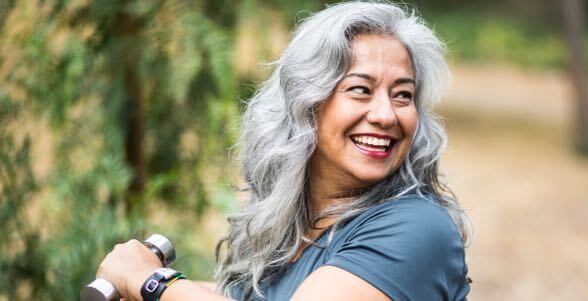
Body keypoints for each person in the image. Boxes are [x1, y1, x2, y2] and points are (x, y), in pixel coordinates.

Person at [95, 2, 472, 300]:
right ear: (306, 103)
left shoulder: (417, 228)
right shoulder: (298, 226)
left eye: (402, 95)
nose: (386, 115)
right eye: (361, 89)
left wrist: (153, 281)